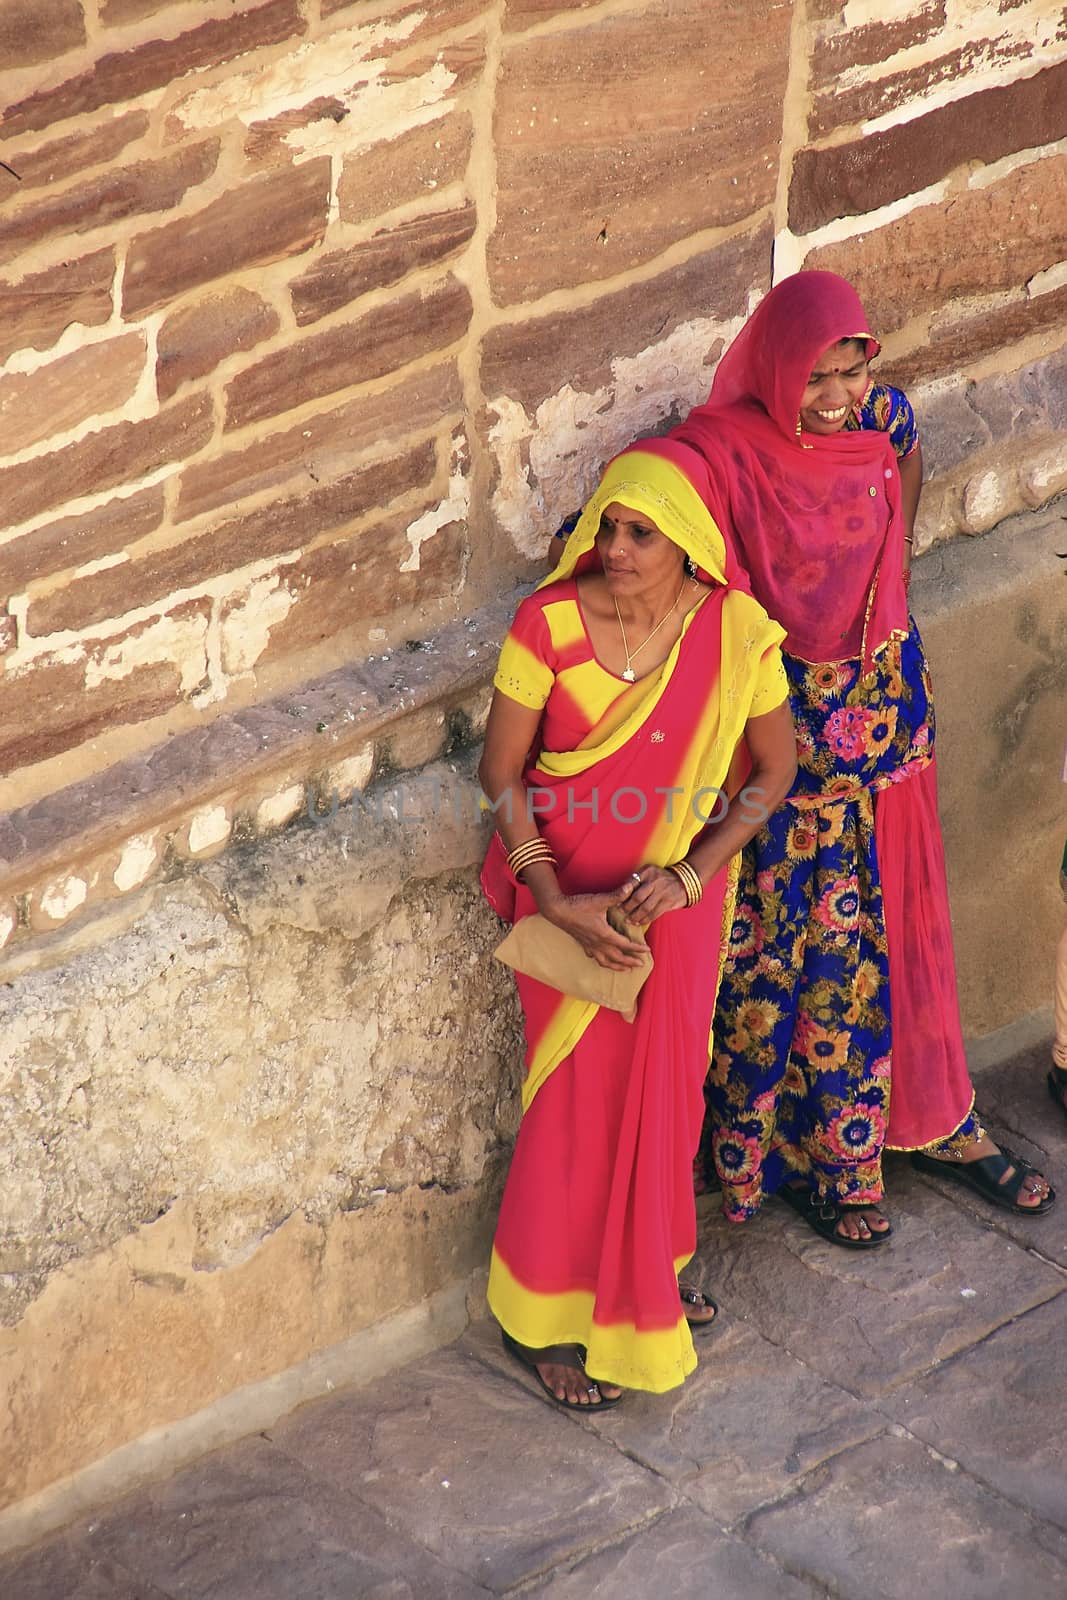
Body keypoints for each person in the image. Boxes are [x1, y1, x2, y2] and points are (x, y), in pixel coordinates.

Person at [667, 270, 1054, 1244]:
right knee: (801, 954)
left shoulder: (880, 417)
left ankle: (931, 1120)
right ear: (773, 364)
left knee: (904, 928)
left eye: (848, 369)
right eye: (815, 376)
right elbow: (649, 532)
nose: (835, 395)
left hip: (886, 722)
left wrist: (886, 601)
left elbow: (903, 476)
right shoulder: (722, 454)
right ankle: (820, 1158)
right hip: (782, 752)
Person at [479, 440, 797, 1407]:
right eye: (606, 528)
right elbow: (502, 776)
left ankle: (639, 1281)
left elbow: (772, 774)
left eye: (638, 534)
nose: (614, 548)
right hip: (565, 903)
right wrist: (549, 898)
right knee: (571, 1107)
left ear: (687, 545)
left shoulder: (736, 632)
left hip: (674, 913)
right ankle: (538, 1318)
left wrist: (694, 875)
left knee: (662, 1094)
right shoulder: (544, 625)